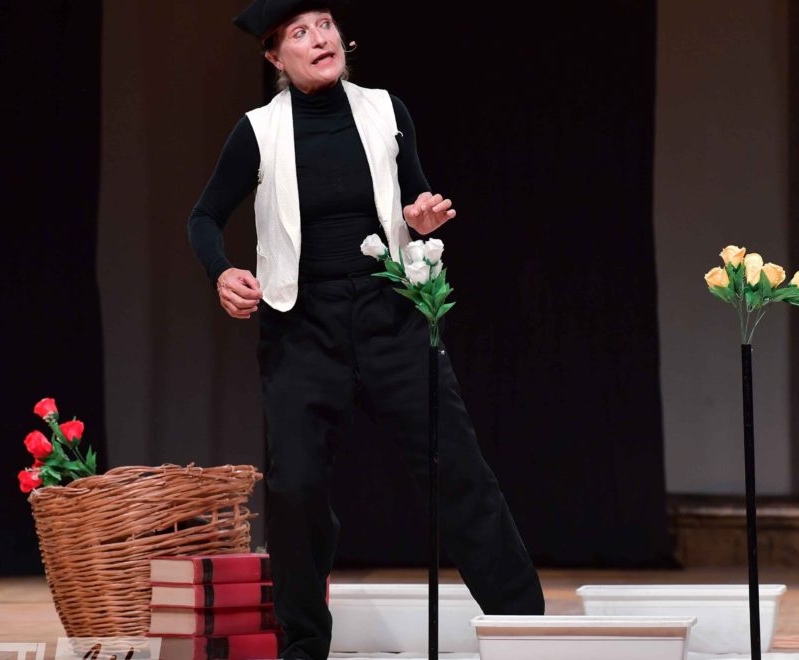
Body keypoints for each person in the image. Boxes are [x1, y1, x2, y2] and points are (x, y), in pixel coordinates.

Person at [185, 1, 545, 657]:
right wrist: (222, 271)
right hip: (302, 328)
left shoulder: (385, 110)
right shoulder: (258, 131)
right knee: (295, 489)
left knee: (457, 469)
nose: (318, 38)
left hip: (391, 317)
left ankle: (525, 630)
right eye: (299, 33)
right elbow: (204, 217)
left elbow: (415, 199)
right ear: (275, 57)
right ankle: (302, 645)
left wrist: (423, 217)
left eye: (323, 24)